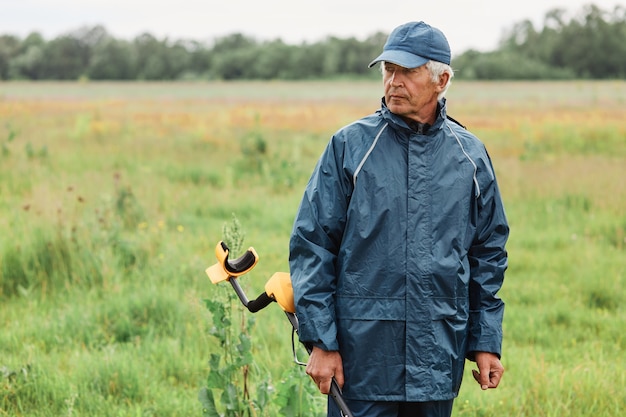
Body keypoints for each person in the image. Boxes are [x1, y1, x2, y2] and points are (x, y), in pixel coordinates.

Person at [289, 21, 509, 417]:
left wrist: (485, 340)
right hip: (363, 360)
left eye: (407, 71)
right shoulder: (350, 147)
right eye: (389, 70)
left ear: (441, 79)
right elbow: (313, 245)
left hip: (438, 356)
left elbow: (487, 253)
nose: (393, 81)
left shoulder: (470, 156)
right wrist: (322, 342)